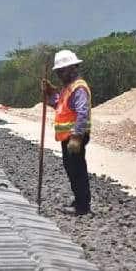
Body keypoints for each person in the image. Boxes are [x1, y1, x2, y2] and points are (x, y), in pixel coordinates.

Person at [42, 50, 92, 216]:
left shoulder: (78, 88)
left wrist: (77, 137)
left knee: (77, 170)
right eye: (58, 72)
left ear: (73, 68)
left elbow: (82, 113)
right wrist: (50, 93)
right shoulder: (67, 88)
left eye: (62, 71)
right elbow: (60, 106)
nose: (60, 74)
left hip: (74, 137)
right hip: (67, 137)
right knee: (71, 169)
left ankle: (82, 207)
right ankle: (79, 200)